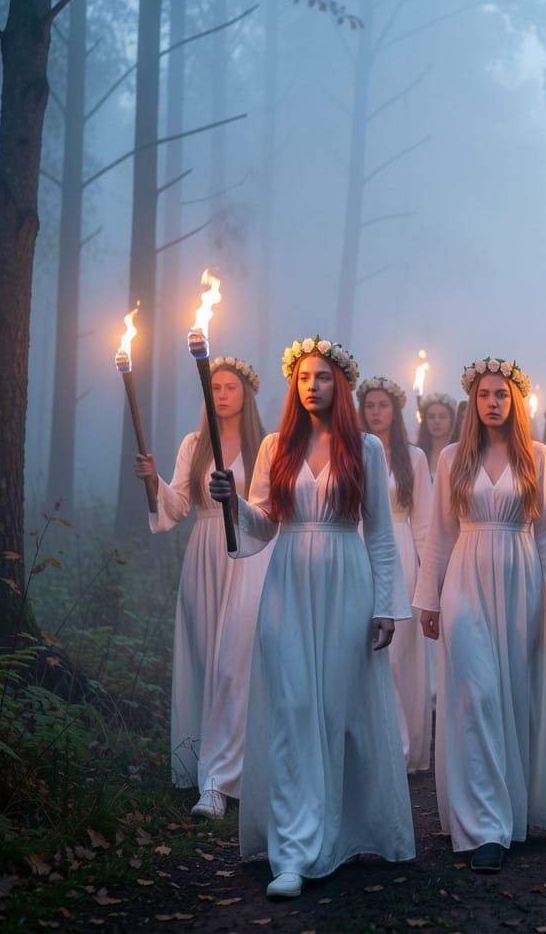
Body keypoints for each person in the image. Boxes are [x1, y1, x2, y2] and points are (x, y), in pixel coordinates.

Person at [208, 336, 414, 898]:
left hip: (348, 582)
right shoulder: (277, 445)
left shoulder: (365, 448)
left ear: (339, 384)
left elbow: (381, 533)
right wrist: (230, 502)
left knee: (337, 711)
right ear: (293, 386)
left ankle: (346, 832)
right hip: (289, 586)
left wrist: (386, 605)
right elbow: (262, 525)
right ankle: (294, 852)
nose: (312, 385)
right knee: (294, 707)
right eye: (303, 377)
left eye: (322, 377)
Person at [414, 356, 546, 874]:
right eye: (484, 394)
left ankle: (513, 810)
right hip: (465, 579)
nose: (492, 402)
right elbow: (438, 534)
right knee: (476, 694)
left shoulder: (538, 456)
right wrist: (429, 599)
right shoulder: (452, 458)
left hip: (521, 578)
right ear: (472, 401)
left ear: (516, 401)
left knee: (514, 696)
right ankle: (484, 827)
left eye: (502, 395)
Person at [135, 354, 269, 820]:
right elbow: (175, 507)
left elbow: (271, 513)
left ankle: (230, 775)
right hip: (205, 553)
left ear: (247, 395)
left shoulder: (264, 445)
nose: (223, 395)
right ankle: (200, 767)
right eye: (216, 388)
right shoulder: (195, 444)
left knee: (237, 664)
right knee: (203, 655)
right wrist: (154, 483)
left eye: (231, 388)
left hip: (250, 555)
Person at [358, 376, 433, 772]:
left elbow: (424, 523)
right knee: (362, 646)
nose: (375, 412)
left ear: (396, 411)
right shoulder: (352, 450)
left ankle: (403, 748)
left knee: (399, 654)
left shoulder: (414, 458)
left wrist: (428, 581)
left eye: (383, 405)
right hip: (358, 545)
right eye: (369, 405)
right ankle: (369, 745)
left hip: (401, 547)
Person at [416, 392, 457, 481]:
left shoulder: (460, 453)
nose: (436, 421)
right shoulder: (416, 454)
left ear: (451, 420)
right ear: (425, 421)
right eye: (431, 417)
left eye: (442, 417)